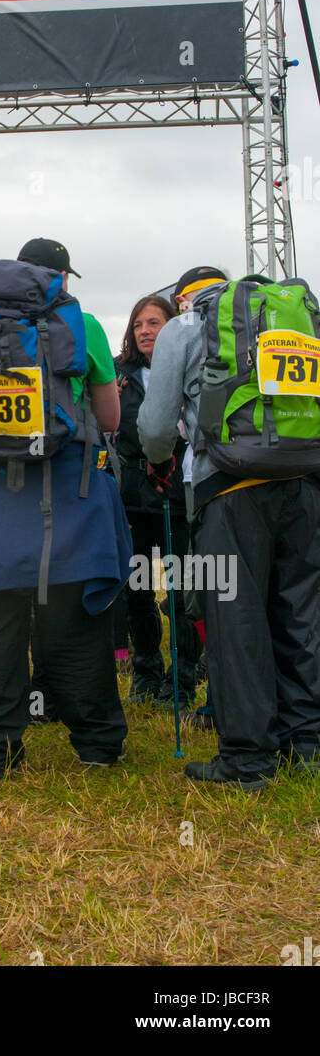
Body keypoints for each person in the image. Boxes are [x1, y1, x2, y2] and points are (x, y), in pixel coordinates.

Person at [0, 239, 132, 780]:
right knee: (72, 620)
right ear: (61, 278)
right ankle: (96, 742)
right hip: (68, 491)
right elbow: (110, 419)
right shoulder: (82, 323)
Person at [139, 264, 320, 789]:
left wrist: (160, 460)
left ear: (183, 298)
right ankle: (307, 746)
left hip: (228, 488)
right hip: (305, 483)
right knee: (301, 614)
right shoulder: (294, 320)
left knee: (235, 620)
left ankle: (247, 759)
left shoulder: (185, 328)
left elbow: (154, 426)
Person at [115, 294, 200, 707]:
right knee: (137, 588)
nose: (145, 331)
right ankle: (145, 671)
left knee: (182, 588)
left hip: (179, 493)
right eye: (138, 325)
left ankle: (182, 679)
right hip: (133, 496)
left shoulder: (191, 366)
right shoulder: (120, 375)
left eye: (154, 322)